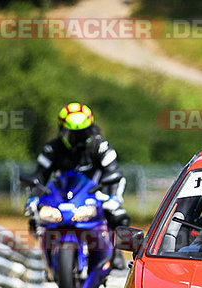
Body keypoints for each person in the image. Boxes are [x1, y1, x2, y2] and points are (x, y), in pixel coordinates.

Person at [24, 102, 129, 266]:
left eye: (83, 133)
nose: (79, 139)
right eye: (73, 134)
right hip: (63, 197)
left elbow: (114, 174)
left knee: (119, 216)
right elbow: (39, 176)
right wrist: (33, 198)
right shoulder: (52, 149)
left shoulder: (101, 146)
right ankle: (48, 258)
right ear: (62, 131)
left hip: (94, 195)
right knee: (36, 219)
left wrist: (113, 198)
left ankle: (115, 253)